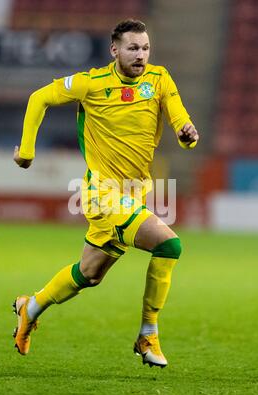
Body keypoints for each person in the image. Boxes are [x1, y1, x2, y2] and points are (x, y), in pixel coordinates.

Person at [13, 19, 199, 368]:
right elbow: (39, 98)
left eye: (144, 48)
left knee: (89, 274)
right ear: (115, 49)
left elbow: (180, 121)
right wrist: (26, 150)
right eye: (132, 48)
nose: (140, 55)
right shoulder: (91, 83)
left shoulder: (159, 79)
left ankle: (31, 306)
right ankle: (148, 333)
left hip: (134, 194)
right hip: (103, 193)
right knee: (170, 244)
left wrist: (187, 135)